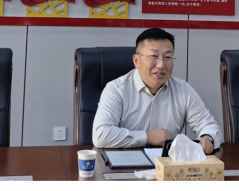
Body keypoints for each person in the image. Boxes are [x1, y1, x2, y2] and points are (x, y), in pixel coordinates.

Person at [92, 28, 223, 154]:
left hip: (168, 166)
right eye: (154, 56)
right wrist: (147, 137)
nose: (161, 65)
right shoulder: (116, 89)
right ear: (136, 61)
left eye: (167, 57)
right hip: (124, 164)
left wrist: (208, 138)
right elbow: (101, 135)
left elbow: (210, 127)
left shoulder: (183, 90)